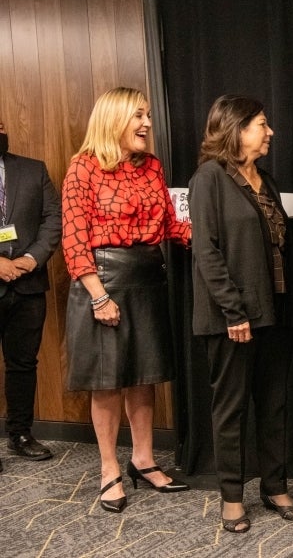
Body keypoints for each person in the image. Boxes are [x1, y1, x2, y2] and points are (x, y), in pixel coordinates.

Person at [189, 94, 293, 533]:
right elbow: (206, 252)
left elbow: (286, 241)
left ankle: (275, 485)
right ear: (236, 129)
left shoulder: (266, 180)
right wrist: (233, 311)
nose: (270, 132)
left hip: (275, 312)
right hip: (232, 318)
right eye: (262, 124)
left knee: (274, 404)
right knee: (231, 409)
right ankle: (231, 496)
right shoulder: (209, 178)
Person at [61, 87, 191, 512]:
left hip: (149, 276)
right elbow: (75, 240)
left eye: (148, 114)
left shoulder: (151, 165)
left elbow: (172, 224)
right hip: (104, 281)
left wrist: (216, 236)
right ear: (114, 118)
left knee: (143, 375)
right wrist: (99, 298)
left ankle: (143, 459)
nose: (147, 123)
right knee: (108, 380)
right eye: (139, 114)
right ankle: (108, 470)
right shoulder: (83, 167)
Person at [0, 120, 61, 472]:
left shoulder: (33, 169)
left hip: (28, 284)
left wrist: (30, 258)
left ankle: (21, 434)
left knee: (23, 364)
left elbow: (53, 218)